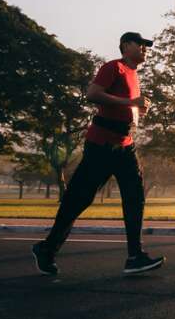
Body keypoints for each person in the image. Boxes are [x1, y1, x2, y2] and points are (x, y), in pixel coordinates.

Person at [31, 32, 165, 276]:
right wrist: (129, 103)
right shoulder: (113, 67)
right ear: (126, 46)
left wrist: (137, 109)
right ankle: (47, 248)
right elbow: (92, 94)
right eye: (141, 44)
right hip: (101, 145)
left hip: (125, 145)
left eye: (147, 46)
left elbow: (126, 105)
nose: (145, 48)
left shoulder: (134, 75)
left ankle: (135, 256)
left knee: (135, 197)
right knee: (79, 199)